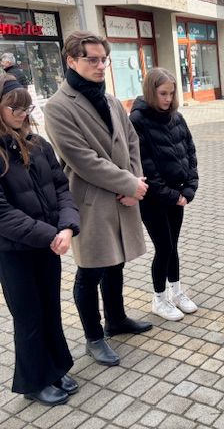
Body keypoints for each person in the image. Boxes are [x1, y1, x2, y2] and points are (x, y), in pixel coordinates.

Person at [44, 31, 152, 368]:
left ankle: (116, 319)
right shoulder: (58, 107)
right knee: (90, 270)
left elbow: (131, 140)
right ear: (72, 60)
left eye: (103, 58)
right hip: (91, 201)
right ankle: (94, 337)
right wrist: (129, 183)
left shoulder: (109, 100)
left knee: (115, 260)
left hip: (122, 196)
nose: (100, 65)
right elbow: (82, 159)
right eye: (92, 59)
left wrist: (135, 181)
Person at [0, 74, 80, 406]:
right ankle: (34, 380)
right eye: (13, 107)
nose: (21, 112)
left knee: (50, 309)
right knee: (29, 315)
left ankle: (56, 366)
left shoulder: (38, 143)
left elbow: (62, 188)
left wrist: (67, 227)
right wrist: (51, 234)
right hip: (15, 252)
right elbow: (2, 213)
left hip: (49, 244)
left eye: (25, 106)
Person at [129, 68, 199, 322]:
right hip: (154, 199)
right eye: (162, 94)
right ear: (151, 91)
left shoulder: (176, 117)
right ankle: (159, 299)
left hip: (178, 195)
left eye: (171, 93)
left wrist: (189, 189)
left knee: (174, 246)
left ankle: (177, 292)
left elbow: (189, 152)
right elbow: (145, 165)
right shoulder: (138, 120)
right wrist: (171, 195)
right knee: (164, 247)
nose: (168, 99)